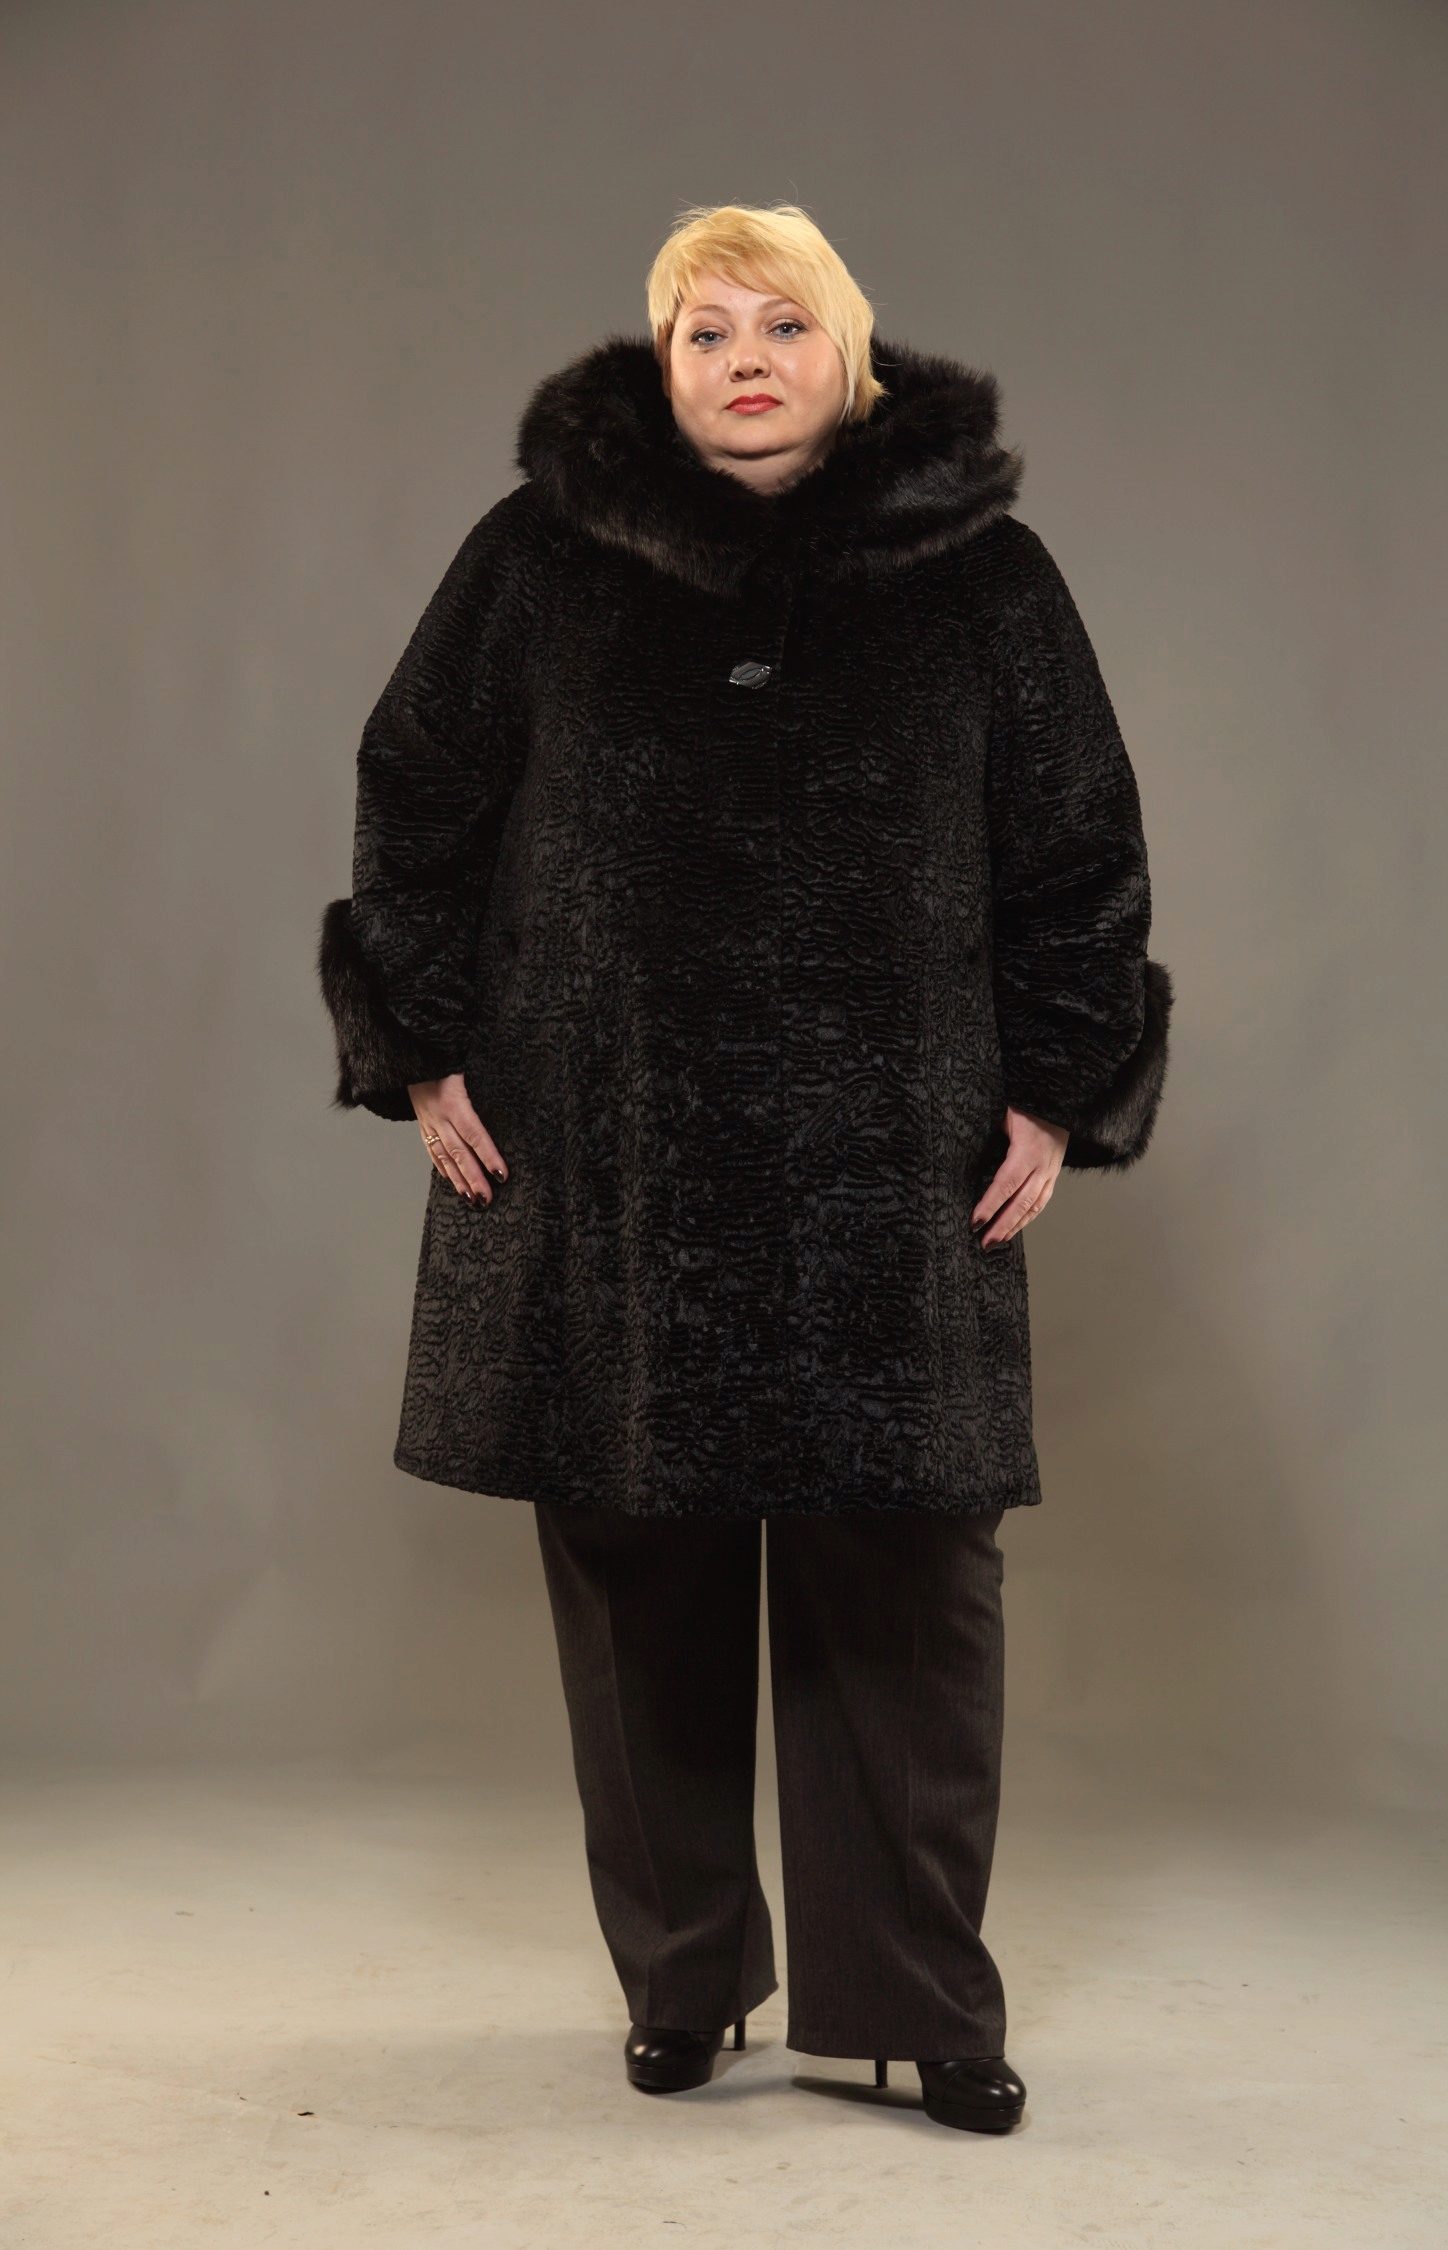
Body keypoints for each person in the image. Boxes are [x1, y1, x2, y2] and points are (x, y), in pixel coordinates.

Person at [317, 202, 1174, 2135]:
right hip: (611, 1148)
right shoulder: (539, 558)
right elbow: (417, 791)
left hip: (897, 1159)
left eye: (781, 324)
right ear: (663, 361)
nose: (743, 360)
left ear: (848, 350)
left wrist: (1057, 1088)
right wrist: (420, 1037)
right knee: (639, 1565)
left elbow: (1078, 847)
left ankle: (915, 2004)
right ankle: (685, 1982)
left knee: (907, 1574)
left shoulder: (984, 575)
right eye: (703, 331)